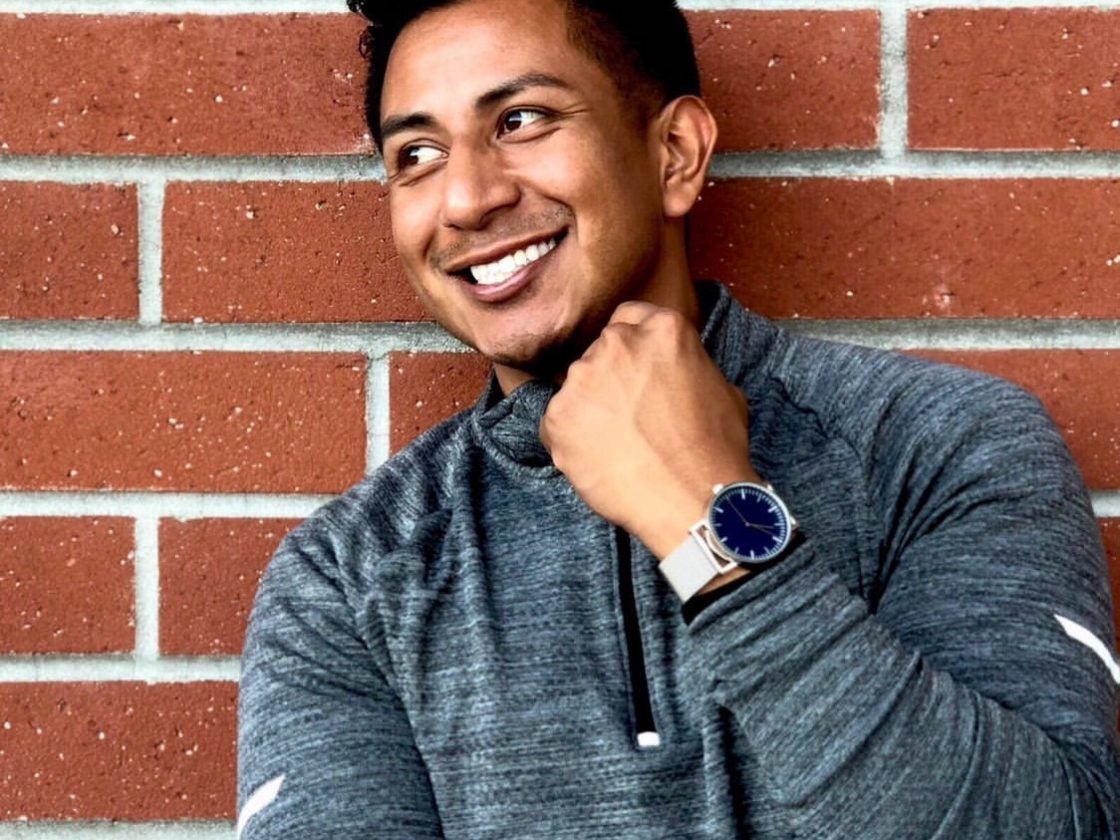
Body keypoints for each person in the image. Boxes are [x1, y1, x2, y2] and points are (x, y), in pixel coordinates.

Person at [236, 0, 1120, 836]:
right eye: (418, 154)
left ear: (676, 154)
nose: (466, 199)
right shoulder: (345, 580)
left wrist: (709, 520)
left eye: (521, 121)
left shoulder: (940, 448)